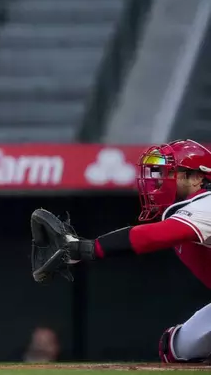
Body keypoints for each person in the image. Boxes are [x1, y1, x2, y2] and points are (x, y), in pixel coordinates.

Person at [30, 139, 211, 364]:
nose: (160, 181)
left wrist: (88, 248)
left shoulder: (206, 204)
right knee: (173, 349)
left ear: (197, 177)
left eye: (172, 173)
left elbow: (155, 235)